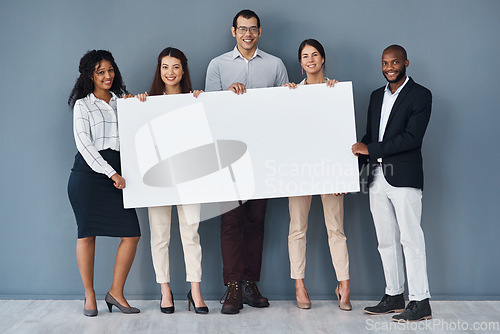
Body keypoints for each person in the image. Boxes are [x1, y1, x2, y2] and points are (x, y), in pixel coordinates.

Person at [205, 9, 288, 314]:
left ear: (260, 32)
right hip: (229, 157)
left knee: (256, 222)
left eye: (253, 29)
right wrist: (227, 96)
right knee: (231, 222)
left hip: (263, 156)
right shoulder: (218, 65)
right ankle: (233, 287)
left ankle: (251, 284)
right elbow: (209, 113)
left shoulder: (276, 65)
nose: (248, 34)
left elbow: (284, 111)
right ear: (233, 31)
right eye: (242, 29)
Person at [352, 45, 432, 322]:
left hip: (404, 178)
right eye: (385, 63)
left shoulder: (421, 95)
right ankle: (394, 295)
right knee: (385, 241)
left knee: (411, 239)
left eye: (395, 62)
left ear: (406, 63)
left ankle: (420, 301)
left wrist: (369, 149)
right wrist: (355, 164)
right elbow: (369, 137)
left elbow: (412, 138)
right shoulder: (376, 96)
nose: (389, 67)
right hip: (376, 177)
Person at [135, 47, 208, 314]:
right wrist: (139, 107)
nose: (170, 72)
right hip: (158, 180)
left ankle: (196, 291)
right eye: (165, 67)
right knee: (160, 237)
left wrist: (202, 104)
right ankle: (165, 291)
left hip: (189, 178)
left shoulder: (194, 98)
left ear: (184, 70)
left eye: (176, 67)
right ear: (159, 70)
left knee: (191, 235)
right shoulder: (148, 101)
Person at [67, 50, 141, 316]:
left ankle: (115, 292)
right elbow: (84, 145)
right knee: (87, 235)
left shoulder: (123, 102)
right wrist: (111, 173)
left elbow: (140, 131)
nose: (107, 76)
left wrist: (139, 104)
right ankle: (89, 295)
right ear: (90, 75)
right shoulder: (82, 105)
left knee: (132, 234)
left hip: (119, 174)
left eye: (110, 70)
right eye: (100, 72)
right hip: (88, 176)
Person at [283, 39, 351, 311]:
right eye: (305, 56)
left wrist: (342, 175)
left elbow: (343, 136)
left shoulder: (335, 92)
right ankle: (299, 284)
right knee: (297, 228)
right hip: (299, 170)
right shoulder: (291, 93)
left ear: (322, 59)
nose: (310, 60)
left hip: (330, 170)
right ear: (300, 63)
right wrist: (287, 97)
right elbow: (285, 135)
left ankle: (344, 285)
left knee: (336, 229)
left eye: (314, 55)